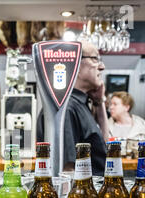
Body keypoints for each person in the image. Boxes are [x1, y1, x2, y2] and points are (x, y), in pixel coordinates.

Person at [37, 41, 109, 176]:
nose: (102, 67)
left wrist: (99, 102)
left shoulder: (80, 104)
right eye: (95, 59)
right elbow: (66, 171)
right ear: (75, 64)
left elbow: (106, 151)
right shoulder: (67, 108)